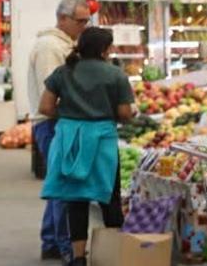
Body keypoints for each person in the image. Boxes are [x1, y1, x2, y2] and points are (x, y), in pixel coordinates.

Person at [39, 27, 134, 266]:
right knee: (109, 197)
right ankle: (113, 254)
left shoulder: (63, 72)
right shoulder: (115, 75)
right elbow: (124, 113)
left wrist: (72, 115)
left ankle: (78, 258)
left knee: (76, 200)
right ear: (104, 49)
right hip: (102, 142)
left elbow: (46, 108)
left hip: (71, 140)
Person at [29, 0, 89, 261]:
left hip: (58, 121)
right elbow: (50, 93)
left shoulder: (65, 44)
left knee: (58, 185)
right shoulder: (49, 47)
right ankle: (65, 246)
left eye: (87, 21)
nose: (84, 26)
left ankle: (51, 242)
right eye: (80, 21)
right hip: (53, 122)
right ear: (63, 19)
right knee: (65, 186)